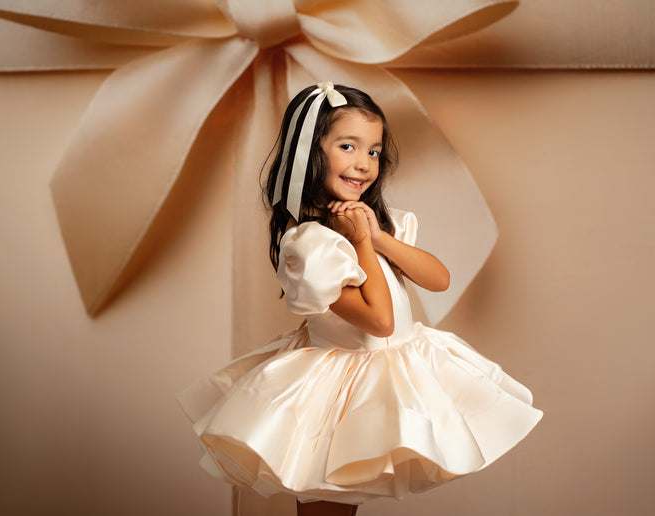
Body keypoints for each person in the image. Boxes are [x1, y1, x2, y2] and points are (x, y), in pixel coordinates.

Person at [178, 83, 543, 516]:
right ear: (311, 153)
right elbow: (380, 321)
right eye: (348, 146)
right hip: (339, 389)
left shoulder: (379, 226)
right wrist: (363, 245)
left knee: (346, 502)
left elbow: (439, 279)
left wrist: (379, 239)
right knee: (327, 501)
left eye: (373, 151)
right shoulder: (311, 246)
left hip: (393, 374)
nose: (364, 164)